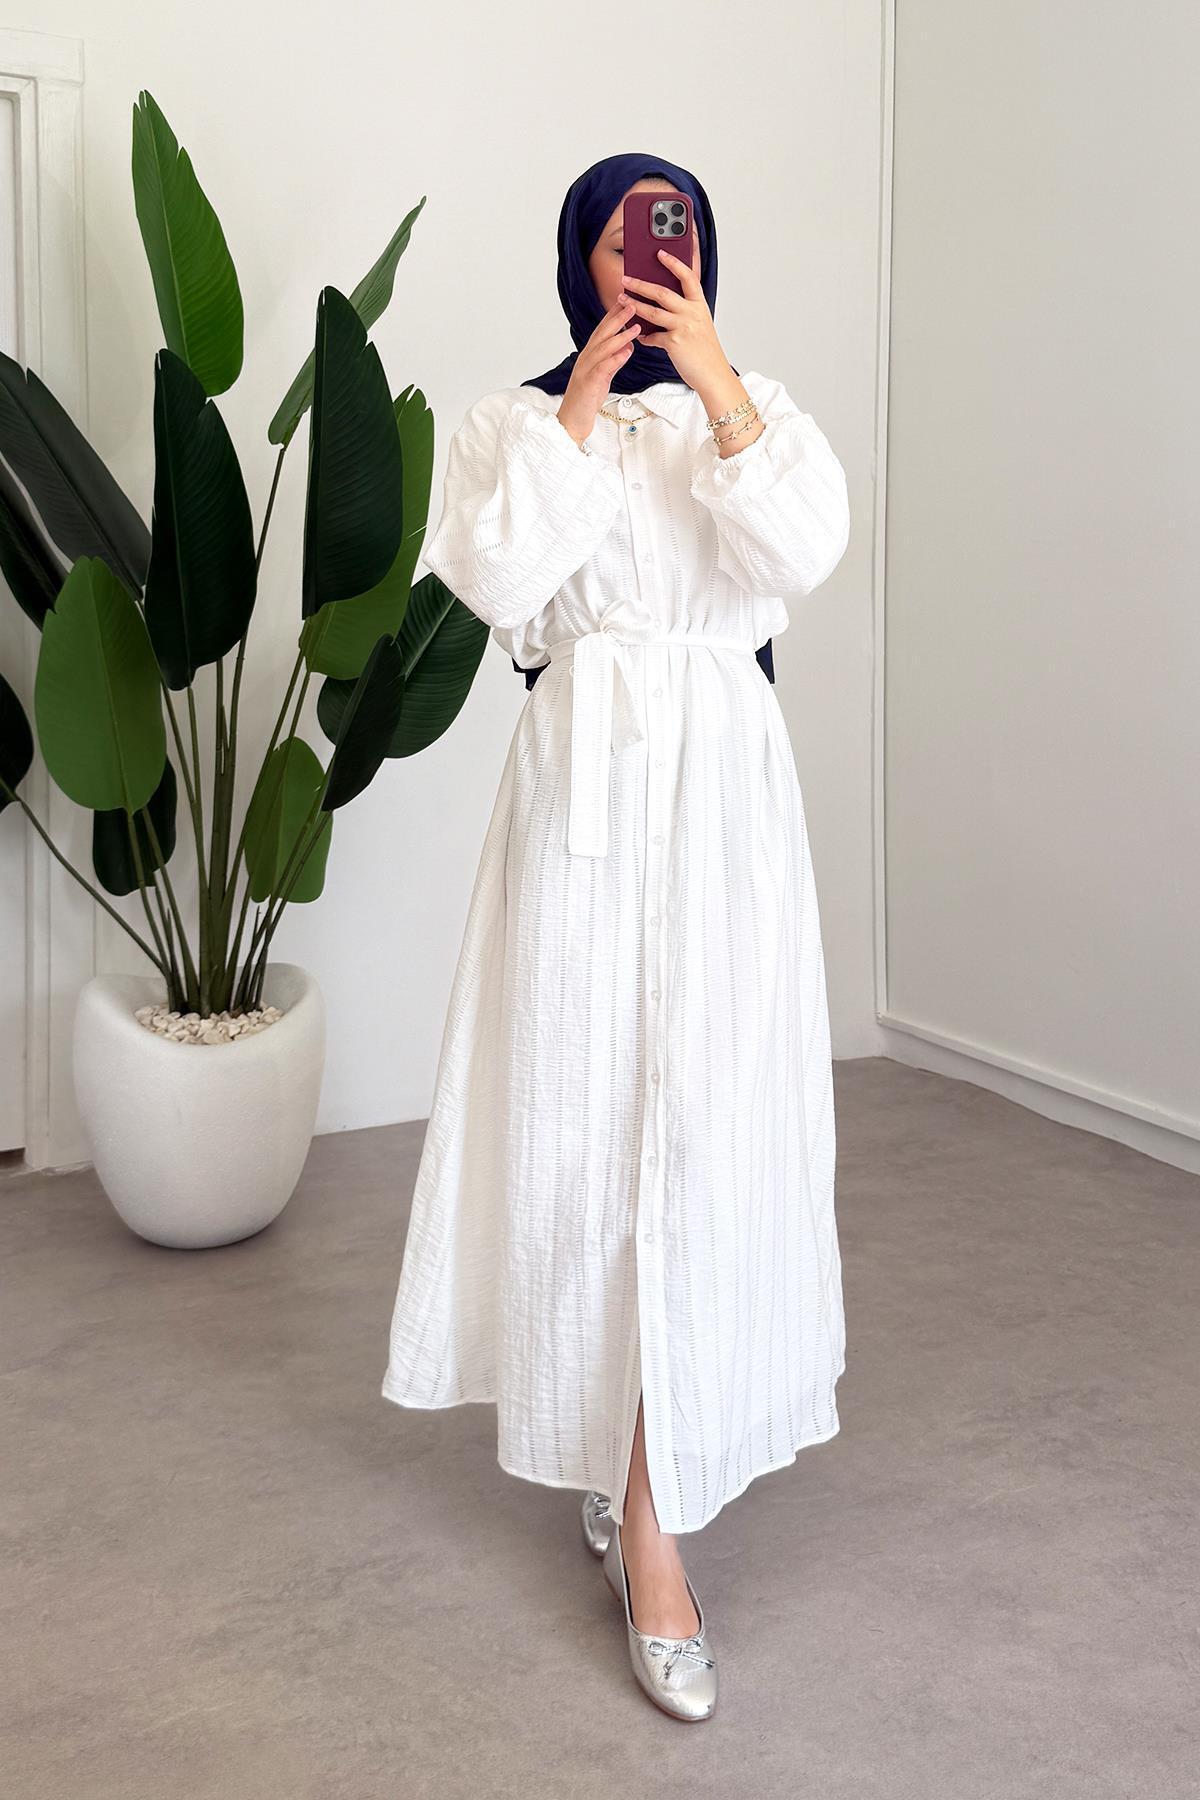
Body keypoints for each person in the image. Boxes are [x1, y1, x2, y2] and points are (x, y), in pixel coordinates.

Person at [381, 152, 850, 1723]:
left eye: (679, 227)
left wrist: (713, 383)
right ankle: (620, 1459)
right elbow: (497, 583)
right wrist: (582, 405)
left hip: (722, 804)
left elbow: (802, 558)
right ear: (581, 255)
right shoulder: (513, 423)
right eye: (625, 232)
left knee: (705, 1140)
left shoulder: (757, 406)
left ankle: (652, 1524)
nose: (654, 251)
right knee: (586, 1138)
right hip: (581, 795)